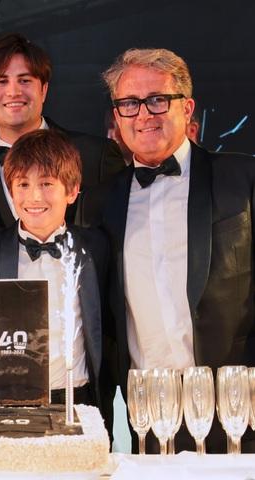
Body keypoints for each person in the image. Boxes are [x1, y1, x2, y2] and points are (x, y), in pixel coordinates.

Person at [78, 48, 255, 453]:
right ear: (117, 116)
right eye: (129, 103)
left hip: (239, 407)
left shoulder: (243, 178)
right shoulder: (98, 203)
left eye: (157, 99)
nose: (143, 114)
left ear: (187, 108)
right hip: (151, 416)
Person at [0, 129, 116, 432]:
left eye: (46, 184)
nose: (34, 197)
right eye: (23, 184)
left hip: (81, 398)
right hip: (9, 404)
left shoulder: (97, 247)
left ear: (72, 191)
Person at [0, 32, 125, 234]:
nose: (13, 92)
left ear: (43, 89)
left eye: (24, 80)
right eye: (1, 81)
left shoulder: (97, 156)